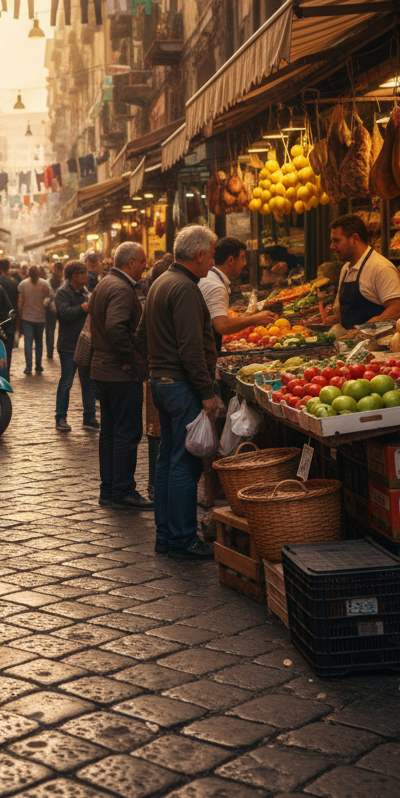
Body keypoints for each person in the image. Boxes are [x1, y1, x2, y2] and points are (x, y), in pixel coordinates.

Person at [140, 225, 224, 560]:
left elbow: (139, 337)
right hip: (180, 386)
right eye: (211, 254)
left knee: (167, 461)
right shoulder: (187, 289)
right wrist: (206, 392)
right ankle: (183, 539)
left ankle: (166, 535)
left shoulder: (160, 282)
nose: (212, 261)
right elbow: (191, 349)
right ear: (200, 254)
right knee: (186, 464)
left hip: (161, 382)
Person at [89, 241, 150, 510]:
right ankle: (123, 490)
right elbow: (115, 328)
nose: (145, 267)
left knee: (111, 432)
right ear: (130, 263)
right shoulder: (122, 288)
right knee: (127, 432)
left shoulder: (105, 283)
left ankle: (109, 490)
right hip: (119, 373)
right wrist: (133, 360)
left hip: (104, 369)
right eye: (142, 262)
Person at [323, 214, 400, 327]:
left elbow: (397, 308)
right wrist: (336, 320)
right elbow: (354, 312)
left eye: (336, 241)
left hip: (374, 343)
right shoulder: (346, 268)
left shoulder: (381, 267)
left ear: (354, 239)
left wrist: (369, 327)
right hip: (350, 342)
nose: (332, 246)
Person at [199, 237, 278, 352]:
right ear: (231, 260)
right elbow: (222, 326)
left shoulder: (211, 278)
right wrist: (254, 319)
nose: (244, 263)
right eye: (242, 258)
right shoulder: (215, 285)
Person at [54, 260, 97, 432]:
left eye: (86, 273)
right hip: (68, 345)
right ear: (74, 276)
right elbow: (64, 313)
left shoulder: (85, 291)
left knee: (88, 382)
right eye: (83, 274)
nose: (86, 277)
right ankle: (60, 417)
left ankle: (89, 417)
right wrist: (82, 308)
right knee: (66, 382)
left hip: (85, 344)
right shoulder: (63, 292)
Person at [18, 265, 50, 375]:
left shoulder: (23, 284)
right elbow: (52, 296)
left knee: (28, 342)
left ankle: (28, 367)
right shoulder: (45, 284)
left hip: (27, 317)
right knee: (39, 342)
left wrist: (19, 315)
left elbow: (20, 302)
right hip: (40, 318)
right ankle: (38, 365)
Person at [44, 261, 63, 360]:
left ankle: (52, 351)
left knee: (53, 331)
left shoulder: (50, 281)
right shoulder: (50, 282)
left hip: (59, 309)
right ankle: (50, 352)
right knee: (51, 331)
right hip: (53, 309)